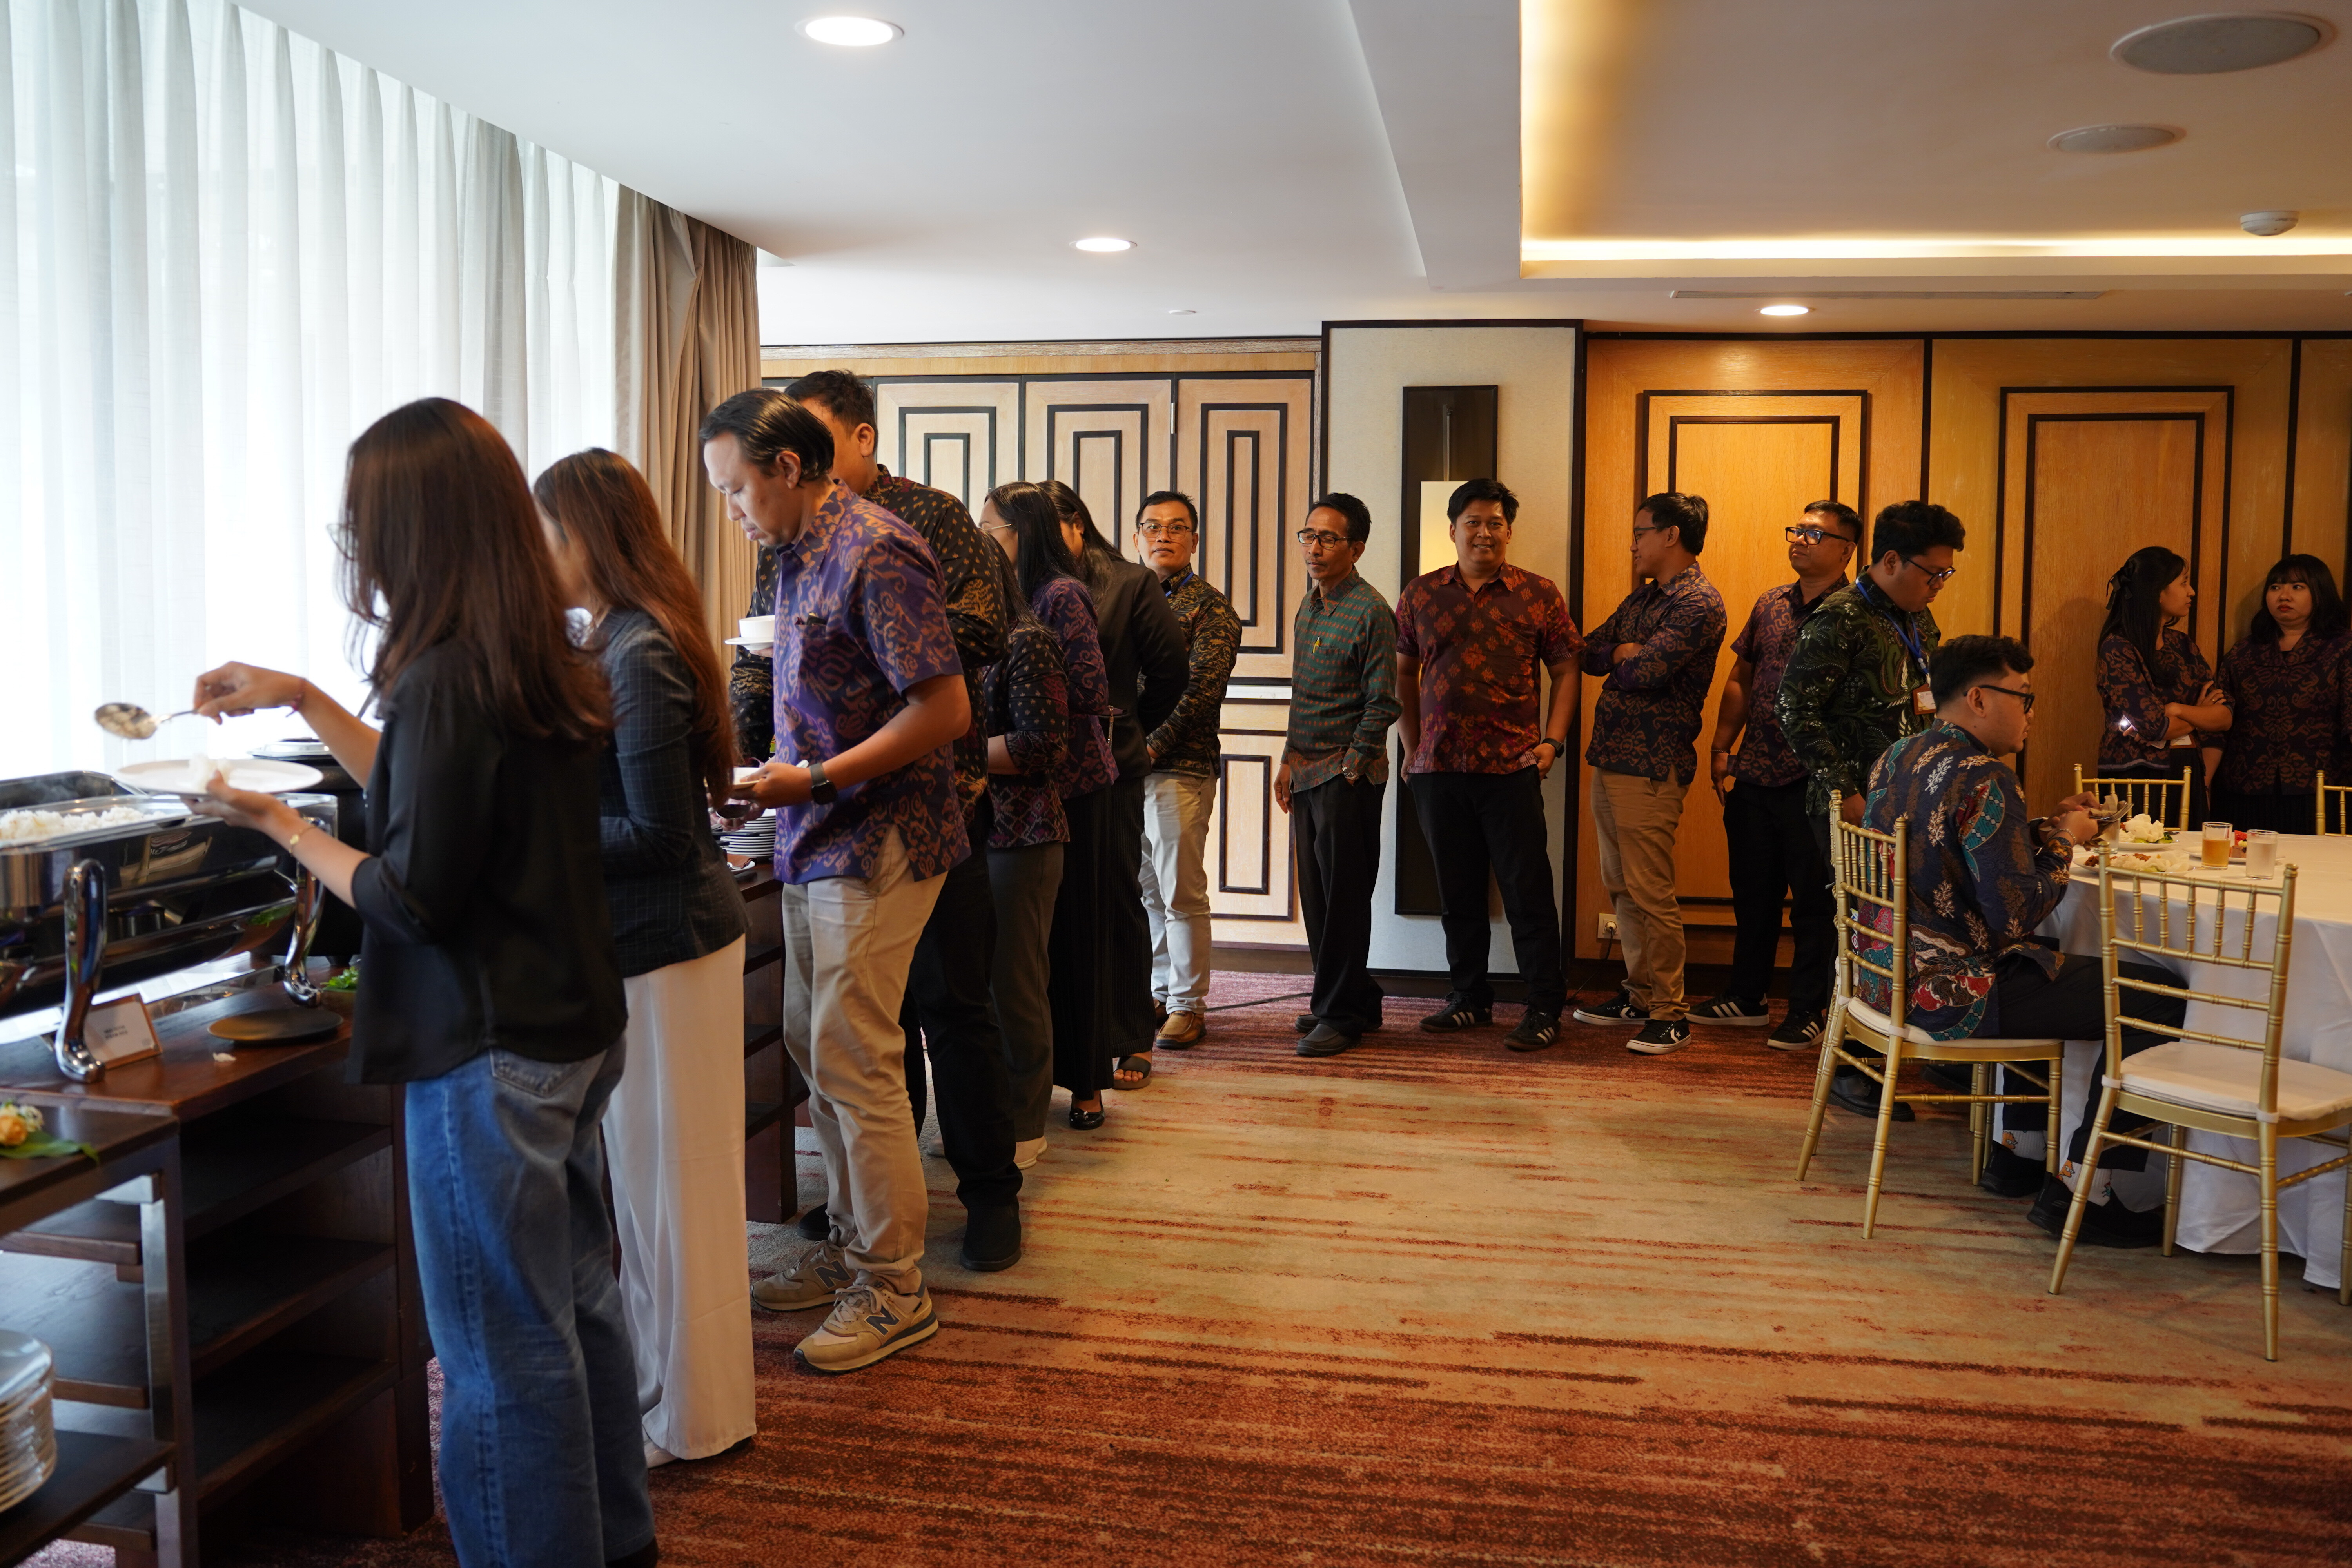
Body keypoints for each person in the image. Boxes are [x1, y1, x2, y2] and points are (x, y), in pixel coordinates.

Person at [189, 398, 656, 1568]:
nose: (354, 545)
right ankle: (615, 1543)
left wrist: (273, 821)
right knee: (577, 1305)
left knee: (500, 1348)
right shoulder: (535, 652)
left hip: (488, 1048)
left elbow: (410, 894)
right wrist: (304, 696)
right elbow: (427, 785)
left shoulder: (447, 674)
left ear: (409, 530)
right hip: (571, 1025)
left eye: (361, 522)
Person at [708, 389, 971, 1369]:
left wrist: (814, 777)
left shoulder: (877, 548)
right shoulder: (794, 551)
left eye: (737, 488)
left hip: (881, 835)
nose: (732, 509)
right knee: (812, 1047)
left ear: (787, 467)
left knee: (855, 1057)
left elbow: (942, 710)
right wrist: (771, 782)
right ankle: (850, 1245)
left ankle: (894, 1286)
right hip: (813, 831)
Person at [756, 371, 1022, 1275]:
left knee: (954, 1007)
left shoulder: (916, 526)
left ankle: (988, 1193)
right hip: (824, 815)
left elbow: (981, 635)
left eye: (814, 441)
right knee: (856, 1040)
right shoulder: (789, 535)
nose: (798, 465)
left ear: (859, 438)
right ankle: (868, 1215)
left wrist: (866, 635)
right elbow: (771, 656)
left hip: (930, 800)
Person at [534, 450, 753, 1470]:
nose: (540, 556)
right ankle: (665, 1399)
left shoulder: (640, 650)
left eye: (548, 536)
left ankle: (698, 1418)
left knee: (675, 1200)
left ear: (586, 536)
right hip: (650, 947)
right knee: (649, 1197)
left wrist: (538, 840)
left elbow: (664, 836)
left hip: (670, 944)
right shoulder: (616, 638)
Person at [1854, 635, 2183, 1248]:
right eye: (2024, 697)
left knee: (2041, 964)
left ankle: (2020, 1150)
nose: (2031, 713)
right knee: (2157, 996)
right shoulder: (1987, 776)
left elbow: (1944, 847)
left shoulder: (1898, 755)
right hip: (1951, 989)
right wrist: (2065, 840)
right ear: (1979, 698)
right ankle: (2089, 1190)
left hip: (1882, 972)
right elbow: (2014, 914)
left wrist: (2044, 827)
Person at [1777, 499, 1962, 1119]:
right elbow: (1793, 710)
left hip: (1906, 800)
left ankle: (1924, 1045)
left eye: (1946, 574)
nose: (1939, 584)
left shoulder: (1916, 619)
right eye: (1933, 572)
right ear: (1890, 561)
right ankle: (1854, 1067)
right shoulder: (1841, 619)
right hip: (1853, 806)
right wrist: (1846, 793)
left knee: (1910, 927)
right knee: (1866, 934)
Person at [1394, 477, 1582, 1051]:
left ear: (1509, 531)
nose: (1484, 532)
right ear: (1453, 530)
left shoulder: (1539, 593)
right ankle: (1470, 998)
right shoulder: (1422, 593)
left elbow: (1567, 669)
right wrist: (1410, 747)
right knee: (1458, 894)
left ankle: (1544, 1006)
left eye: (1495, 523)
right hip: (1437, 768)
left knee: (1528, 892)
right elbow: (1403, 672)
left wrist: (1552, 742)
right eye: (1473, 522)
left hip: (1512, 767)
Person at [979, 480, 1118, 1147]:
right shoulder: (997, 601)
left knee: (1070, 945)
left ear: (1024, 533)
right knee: (1023, 960)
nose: (981, 541)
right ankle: (1027, 1093)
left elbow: (1091, 690)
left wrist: (1033, 689)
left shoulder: (1058, 595)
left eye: (992, 530)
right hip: (1017, 790)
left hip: (1068, 787)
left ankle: (1084, 1084)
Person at [1693, 501, 1860, 1051]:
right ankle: (1747, 996)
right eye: (1798, 530)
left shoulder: (1858, 614)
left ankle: (1809, 1008)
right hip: (1756, 772)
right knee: (1753, 894)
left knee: (1816, 903)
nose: (1801, 540)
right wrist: (1722, 746)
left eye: (1815, 534)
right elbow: (1741, 677)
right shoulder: (1771, 604)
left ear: (1847, 550)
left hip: (1817, 784)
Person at [1040, 479, 1189, 1094]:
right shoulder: (1030, 582)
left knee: (1117, 899)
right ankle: (1064, 1043)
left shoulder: (1129, 583)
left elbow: (1172, 673)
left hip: (1111, 766)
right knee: (1055, 908)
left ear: (1077, 524)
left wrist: (1125, 730)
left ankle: (1131, 1033)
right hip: (1040, 767)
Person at [1568, 492, 1726, 1055]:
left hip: (1653, 764)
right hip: (1612, 758)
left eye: (1640, 532)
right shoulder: (1644, 597)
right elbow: (1587, 652)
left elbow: (1647, 671)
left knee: (1651, 891)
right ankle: (1639, 995)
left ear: (1671, 536)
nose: (1633, 544)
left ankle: (1669, 1012)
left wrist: (1624, 657)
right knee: (1621, 886)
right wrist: (1621, 652)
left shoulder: (1698, 602)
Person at [1276, 494, 1400, 1058]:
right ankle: (1354, 997)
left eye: (1329, 538)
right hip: (1305, 772)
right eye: (1309, 536)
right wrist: (1287, 758)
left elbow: (1382, 702)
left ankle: (1341, 1015)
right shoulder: (1310, 606)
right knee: (1320, 899)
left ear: (1357, 548)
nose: (1315, 548)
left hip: (1347, 778)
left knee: (1344, 899)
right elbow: (1303, 694)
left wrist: (1351, 767)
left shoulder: (1372, 611)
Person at [1134, 490, 1241, 1056]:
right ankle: (1158, 992)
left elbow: (1201, 692)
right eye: (1153, 526)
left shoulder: (1211, 607)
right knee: (1146, 890)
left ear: (1195, 540)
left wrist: (1150, 748)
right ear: (1137, 538)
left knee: (1180, 891)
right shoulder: (1128, 598)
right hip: (1127, 768)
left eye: (1177, 527)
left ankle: (1188, 1004)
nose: (1164, 536)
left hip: (1179, 766)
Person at [2094, 545, 2231, 825]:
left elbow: (2224, 716)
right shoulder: (2117, 647)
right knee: (2140, 849)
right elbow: (2155, 727)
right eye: (2184, 583)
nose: (2191, 592)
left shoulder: (2182, 644)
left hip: (2188, 770)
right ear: (2156, 591)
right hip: (2136, 775)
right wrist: (2199, 715)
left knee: (2191, 852)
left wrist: (2177, 709)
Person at [2215, 555, 2352, 833]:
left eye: (2297, 587)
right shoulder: (2244, 652)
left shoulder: (2343, 647)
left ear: (2320, 592)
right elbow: (2219, 717)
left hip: (2319, 788)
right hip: (2247, 787)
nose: (2284, 596)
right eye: (2275, 587)